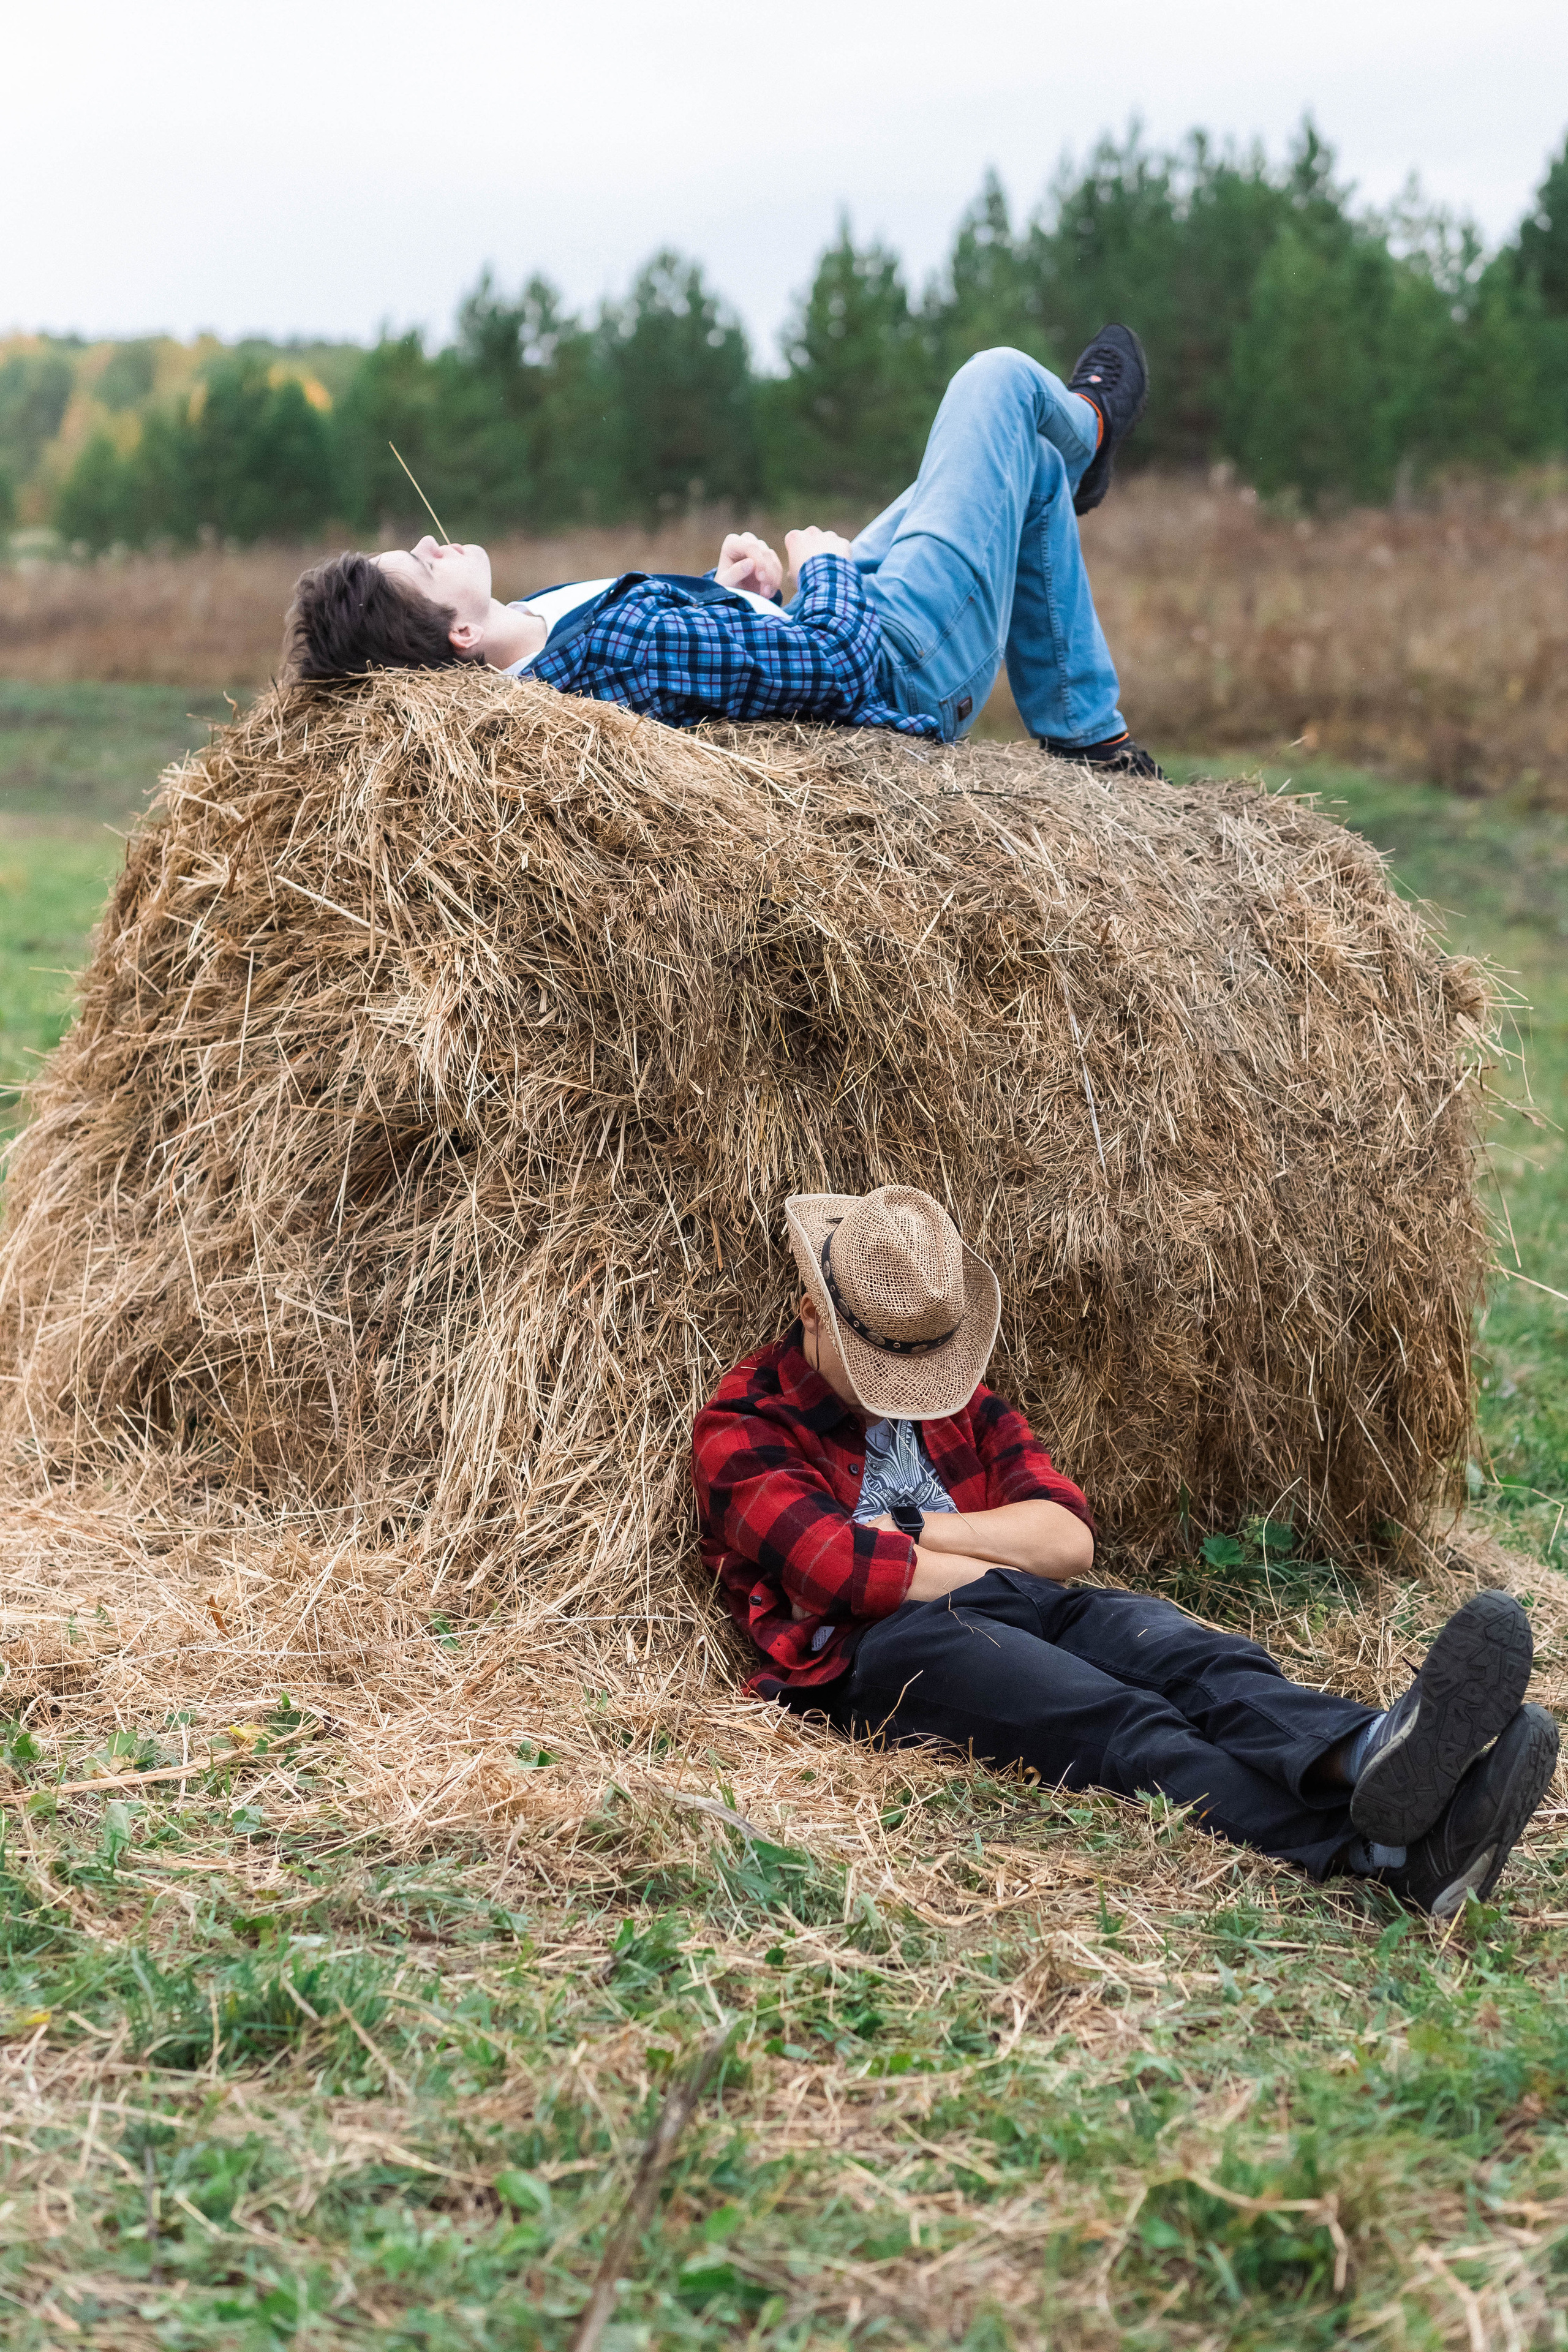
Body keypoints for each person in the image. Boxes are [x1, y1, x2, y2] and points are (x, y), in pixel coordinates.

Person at [692, 1183, 1558, 1919]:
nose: (910, 1393)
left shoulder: (954, 1397)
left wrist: (921, 1532)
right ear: (811, 1313)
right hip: (883, 1653)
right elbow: (845, 1574)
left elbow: (1066, 1538)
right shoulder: (744, 1430)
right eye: (881, 1366)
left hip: (1017, 1601)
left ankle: (1370, 1751)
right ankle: (1378, 1857)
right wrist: (1003, 1561)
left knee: (1195, 1658)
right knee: (1121, 1719)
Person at [287, 331, 1163, 775]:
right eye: (423, 565)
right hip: (900, 663)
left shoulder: (539, 624)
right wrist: (821, 566)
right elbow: (841, 668)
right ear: (460, 641)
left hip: (818, 618)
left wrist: (723, 591)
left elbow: (695, 669)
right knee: (997, 383)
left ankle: (1090, 739)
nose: (433, 542)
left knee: (1030, 470)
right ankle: (1093, 423)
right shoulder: (606, 655)